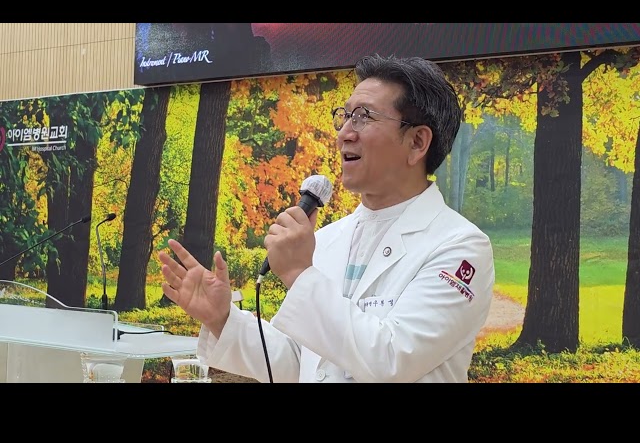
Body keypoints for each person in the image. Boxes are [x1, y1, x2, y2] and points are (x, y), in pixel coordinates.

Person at [158, 54, 495, 383]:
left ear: (417, 142)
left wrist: (297, 273)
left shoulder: (460, 247)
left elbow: (393, 360)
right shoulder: (328, 238)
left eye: (363, 117)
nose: (344, 133)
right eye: (345, 117)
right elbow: (301, 363)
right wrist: (223, 319)